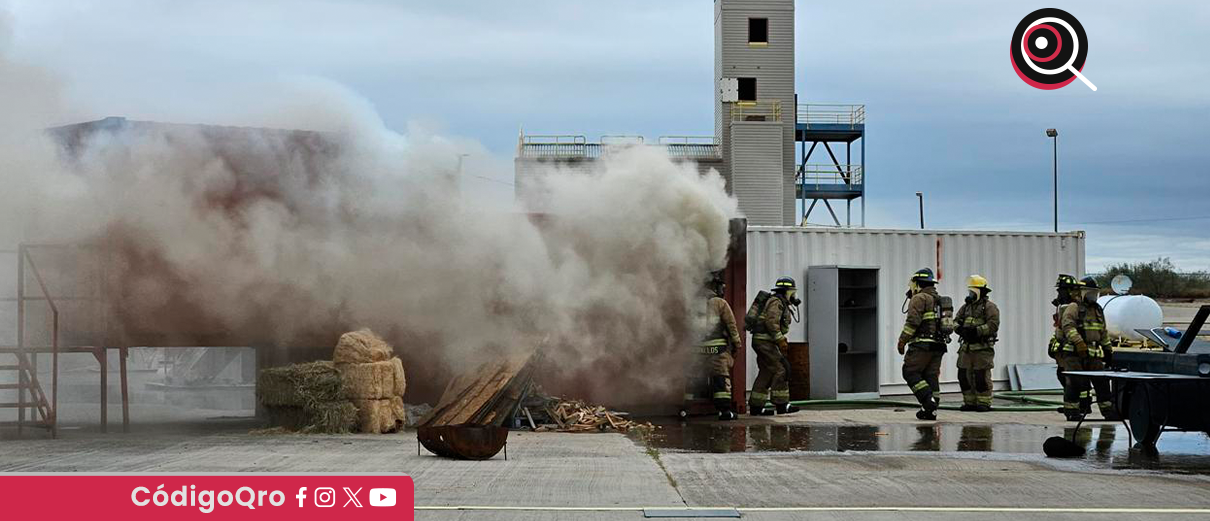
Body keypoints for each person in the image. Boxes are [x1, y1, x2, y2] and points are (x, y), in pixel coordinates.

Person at [1057, 276, 1119, 421]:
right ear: (1082, 292)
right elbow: (1068, 326)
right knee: (1075, 382)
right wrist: (1079, 342)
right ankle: (1072, 411)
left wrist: (1108, 350)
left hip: (1094, 354)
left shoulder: (1097, 309)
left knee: (1102, 383)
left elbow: (1102, 331)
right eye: (1090, 292)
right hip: (1074, 353)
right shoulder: (1074, 307)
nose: (1093, 296)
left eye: (1095, 293)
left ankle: (1108, 411)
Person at [898, 268, 948, 421]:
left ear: (918, 283)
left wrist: (902, 341)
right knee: (930, 375)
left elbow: (912, 322)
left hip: (922, 345)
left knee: (910, 372)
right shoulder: (938, 300)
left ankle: (928, 401)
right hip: (939, 345)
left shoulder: (919, 298)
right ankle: (930, 410)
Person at [747, 276, 801, 416]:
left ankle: (756, 407)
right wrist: (780, 340)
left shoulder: (779, 301)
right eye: (792, 292)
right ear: (786, 291)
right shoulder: (776, 302)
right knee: (782, 369)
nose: (794, 295)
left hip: (762, 341)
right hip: (765, 342)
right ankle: (782, 404)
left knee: (767, 371)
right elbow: (771, 322)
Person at [696, 272, 743, 421]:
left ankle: (685, 407)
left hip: (697, 349)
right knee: (720, 378)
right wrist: (737, 344)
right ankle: (724, 411)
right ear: (714, 286)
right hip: (717, 349)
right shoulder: (720, 303)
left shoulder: (694, 303)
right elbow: (731, 325)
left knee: (694, 378)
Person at [955, 275, 1000, 412]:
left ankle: (984, 403)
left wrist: (976, 331)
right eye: (970, 292)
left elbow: (993, 325)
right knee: (964, 375)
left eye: (973, 292)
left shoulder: (990, 307)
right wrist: (960, 329)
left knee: (981, 377)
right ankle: (969, 402)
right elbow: (955, 321)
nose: (970, 295)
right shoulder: (966, 307)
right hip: (966, 348)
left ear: (981, 292)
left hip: (982, 348)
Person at [1049, 274, 1080, 413]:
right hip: (1062, 347)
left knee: (1073, 379)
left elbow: (1070, 327)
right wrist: (1054, 342)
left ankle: (1081, 405)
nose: (1058, 293)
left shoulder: (1075, 307)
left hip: (1071, 348)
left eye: (1061, 290)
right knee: (1062, 375)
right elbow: (1059, 327)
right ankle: (1071, 405)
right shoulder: (1062, 306)